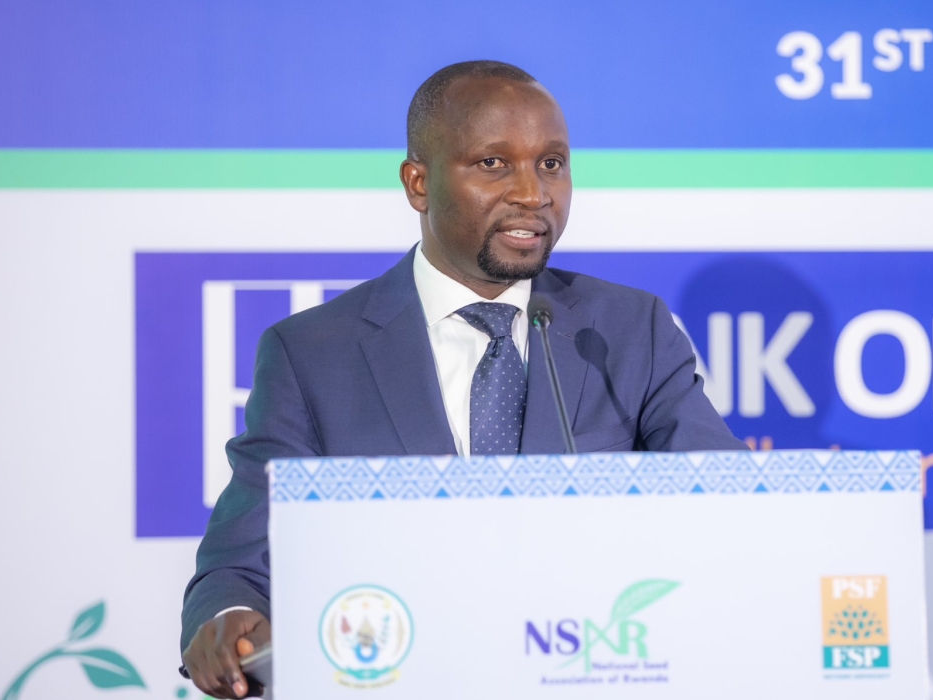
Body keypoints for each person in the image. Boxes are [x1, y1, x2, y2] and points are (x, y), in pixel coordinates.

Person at [179, 60, 744, 698]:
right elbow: (240, 561)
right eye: (493, 164)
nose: (533, 193)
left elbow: (724, 509)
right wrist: (229, 623)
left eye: (551, 164)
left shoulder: (627, 329)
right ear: (418, 183)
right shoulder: (312, 354)